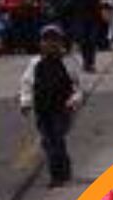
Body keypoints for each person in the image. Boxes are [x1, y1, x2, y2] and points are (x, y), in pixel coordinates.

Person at [17, 24, 81, 188]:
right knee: (49, 140)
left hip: (61, 108)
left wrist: (74, 100)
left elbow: (76, 86)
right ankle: (62, 170)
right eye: (46, 40)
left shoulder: (68, 63)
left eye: (54, 40)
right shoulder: (35, 64)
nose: (50, 44)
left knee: (56, 140)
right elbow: (27, 83)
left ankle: (57, 174)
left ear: (61, 43)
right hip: (42, 109)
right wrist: (25, 102)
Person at [64, 0, 104, 72]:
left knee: (91, 41)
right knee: (85, 41)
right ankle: (87, 62)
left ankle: (90, 62)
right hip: (80, 16)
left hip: (91, 15)